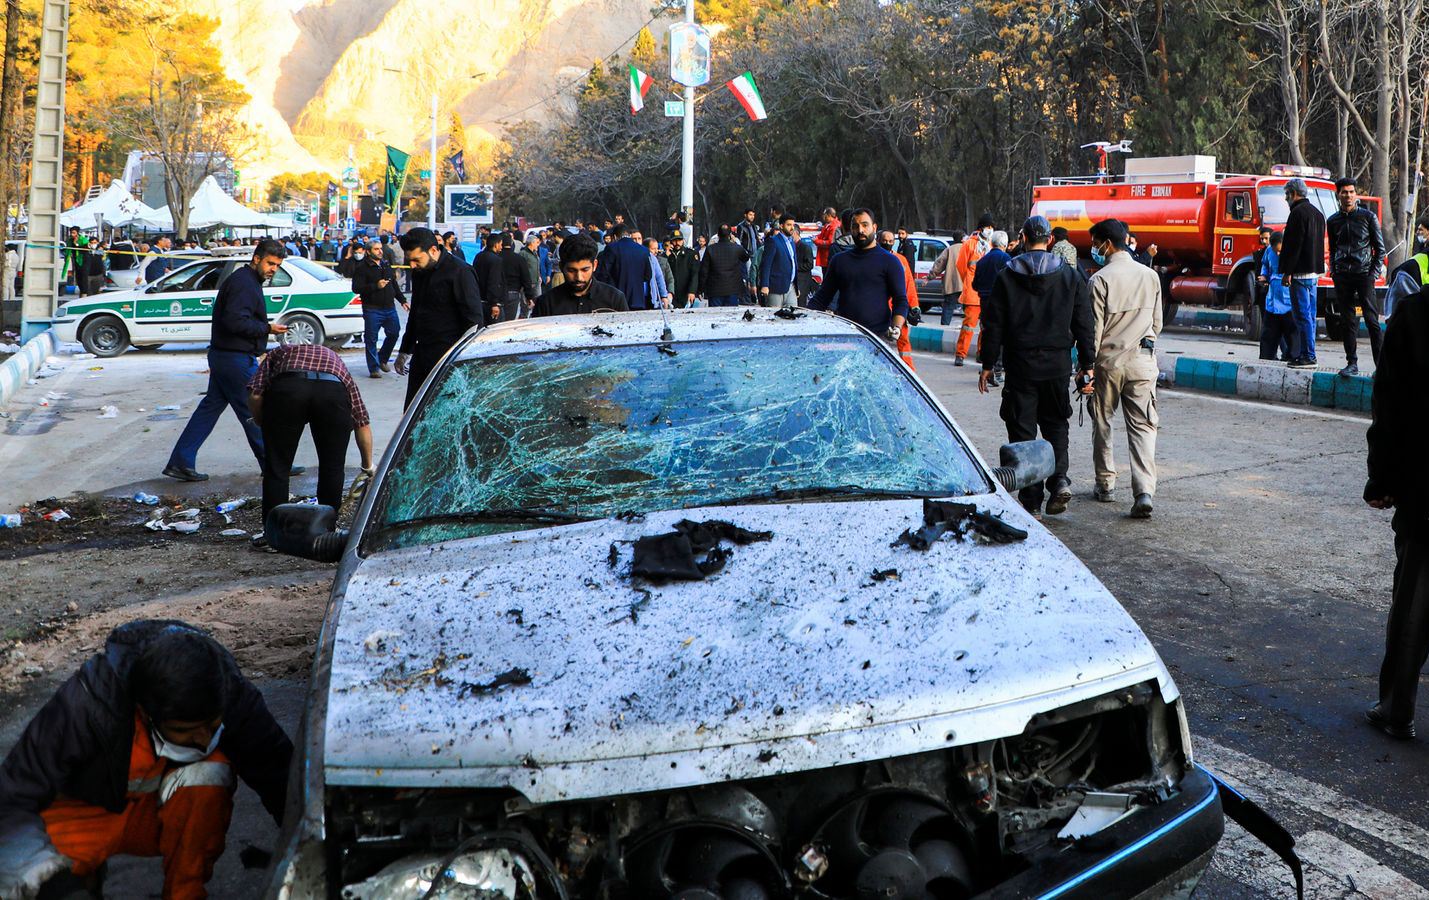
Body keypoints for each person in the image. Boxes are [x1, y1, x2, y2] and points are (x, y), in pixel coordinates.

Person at [0, 620, 292, 900]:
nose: (204, 740)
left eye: (212, 725)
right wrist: (55, 885)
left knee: (209, 775)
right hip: (87, 814)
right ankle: (80, 882)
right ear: (145, 711)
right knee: (25, 872)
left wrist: (307, 851)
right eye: (184, 731)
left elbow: (283, 780)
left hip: (161, 815)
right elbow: (13, 798)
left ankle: (184, 894)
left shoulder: (232, 694)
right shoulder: (83, 705)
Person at [978, 215, 1095, 517]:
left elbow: (994, 324)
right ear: (1050, 240)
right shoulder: (1070, 276)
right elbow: (1084, 323)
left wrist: (988, 363)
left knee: (1022, 428)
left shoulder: (1007, 275)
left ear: (1024, 238)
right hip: (1057, 364)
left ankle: (1031, 500)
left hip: (1020, 365)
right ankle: (1059, 481)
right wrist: (1087, 363)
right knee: (1056, 423)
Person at [163, 240, 292, 483]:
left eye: (277, 265)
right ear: (256, 259)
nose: (273, 269)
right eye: (270, 263)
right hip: (234, 359)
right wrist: (267, 328)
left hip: (226, 356)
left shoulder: (246, 281)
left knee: (209, 409)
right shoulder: (244, 283)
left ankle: (181, 461)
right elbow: (235, 322)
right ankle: (274, 463)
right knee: (255, 409)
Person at [1363, 270, 1429, 740]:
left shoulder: (1417, 315)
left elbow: (1389, 405)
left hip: (1426, 496)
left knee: (1413, 611)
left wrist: (1382, 480)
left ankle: (1396, 708)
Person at [1086, 218, 1162, 519]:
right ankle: (1144, 491)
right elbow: (1157, 323)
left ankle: (1106, 484)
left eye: (1095, 244)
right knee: (1143, 425)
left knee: (1103, 421)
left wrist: (1086, 367)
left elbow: (1094, 331)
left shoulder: (1099, 280)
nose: (1094, 249)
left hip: (1109, 362)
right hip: (1143, 361)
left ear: (1107, 244)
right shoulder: (1150, 276)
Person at [248, 341, 374, 521]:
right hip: (332, 392)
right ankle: (326, 528)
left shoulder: (279, 352)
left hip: (289, 389)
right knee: (333, 467)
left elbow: (255, 394)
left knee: (277, 468)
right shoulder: (335, 360)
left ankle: (273, 530)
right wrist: (368, 466)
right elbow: (361, 421)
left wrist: (262, 421)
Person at [395, 228, 485, 408]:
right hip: (422, 354)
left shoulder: (460, 272)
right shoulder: (420, 272)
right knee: (414, 411)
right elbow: (416, 313)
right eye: (409, 260)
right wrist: (405, 350)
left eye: (416, 260)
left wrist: (465, 361)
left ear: (433, 250)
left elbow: (473, 322)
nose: (412, 266)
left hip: (449, 358)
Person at [809, 209, 908, 339]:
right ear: (850, 229)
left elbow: (900, 300)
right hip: (845, 336)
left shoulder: (890, 262)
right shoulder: (839, 261)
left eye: (865, 225)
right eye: (855, 226)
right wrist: (804, 317)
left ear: (874, 227)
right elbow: (822, 297)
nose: (860, 230)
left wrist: (896, 328)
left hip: (878, 339)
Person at [1326, 176, 1386, 376]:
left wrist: (1372, 274)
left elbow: (1380, 250)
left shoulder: (1368, 217)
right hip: (1342, 276)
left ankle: (1381, 367)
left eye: (1351, 192)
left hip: (1364, 275)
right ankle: (1352, 363)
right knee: (1347, 321)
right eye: (1344, 192)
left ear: (1355, 194)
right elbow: (1333, 249)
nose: (1349, 196)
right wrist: (1334, 272)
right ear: (1338, 194)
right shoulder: (1332, 221)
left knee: (1372, 321)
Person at [1279, 178, 1326, 369]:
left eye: (1287, 194)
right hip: (1314, 273)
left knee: (1302, 316)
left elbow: (1293, 246)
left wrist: (1287, 272)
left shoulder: (1297, 214)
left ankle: (1308, 355)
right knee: (1310, 316)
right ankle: (1308, 353)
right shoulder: (1317, 213)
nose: (1286, 198)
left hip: (1299, 274)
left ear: (1293, 193)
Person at [533, 234, 628, 316]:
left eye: (585, 270)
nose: (579, 277)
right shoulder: (546, 303)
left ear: (594, 265)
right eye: (572, 270)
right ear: (561, 267)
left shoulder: (615, 299)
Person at [352, 238, 407, 378]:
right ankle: (374, 368)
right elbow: (356, 288)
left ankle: (382, 358)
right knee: (371, 339)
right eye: (376, 249)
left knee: (394, 333)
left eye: (380, 248)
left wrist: (402, 300)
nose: (380, 251)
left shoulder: (385, 264)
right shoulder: (362, 268)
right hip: (372, 309)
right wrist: (375, 286)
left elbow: (393, 284)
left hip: (389, 307)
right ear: (368, 252)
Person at [966, 231, 1012, 369]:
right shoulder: (1007, 259)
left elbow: (975, 285)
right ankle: (998, 363)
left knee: (987, 332)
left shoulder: (982, 260)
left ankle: (987, 363)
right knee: (1001, 331)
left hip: (985, 301)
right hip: (1001, 302)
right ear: (1005, 244)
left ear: (991, 243)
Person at [878, 230, 921, 369]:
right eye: (885, 241)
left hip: (897, 306)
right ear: (879, 241)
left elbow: (909, 284)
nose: (888, 243)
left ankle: (909, 370)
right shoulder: (874, 259)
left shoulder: (901, 260)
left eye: (891, 241)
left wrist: (914, 306)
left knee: (903, 339)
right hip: (880, 307)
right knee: (879, 341)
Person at [954, 214, 994, 365]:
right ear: (981, 228)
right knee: (968, 326)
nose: (990, 229)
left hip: (987, 292)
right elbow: (961, 266)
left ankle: (981, 353)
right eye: (988, 227)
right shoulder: (970, 244)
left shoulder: (992, 245)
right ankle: (960, 354)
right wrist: (969, 281)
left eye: (991, 227)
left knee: (985, 327)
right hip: (973, 293)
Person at [1257, 231, 1299, 363]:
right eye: (1276, 251)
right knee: (1269, 333)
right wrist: (1264, 275)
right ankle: (1267, 357)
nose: (1278, 254)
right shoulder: (1269, 251)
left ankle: (1293, 357)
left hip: (1287, 299)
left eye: (1280, 251)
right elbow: (1265, 264)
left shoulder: (1292, 251)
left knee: (1291, 333)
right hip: (1272, 299)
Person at [594, 223, 653, 310]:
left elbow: (603, 274)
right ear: (629, 235)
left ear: (614, 237)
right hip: (638, 300)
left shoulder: (612, 248)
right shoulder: (643, 250)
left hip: (616, 300)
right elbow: (648, 276)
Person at [699, 224, 751, 308]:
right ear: (730, 234)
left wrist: (700, 289)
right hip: (732, 288)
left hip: (715, 289)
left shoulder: (710, 249)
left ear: (718, 234)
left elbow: (704, 271)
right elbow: (746, 257)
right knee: (730, 314)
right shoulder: (737, 248)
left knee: (715, 314)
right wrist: (736, 242)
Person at [759, 214, 800, 308]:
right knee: (775, 315)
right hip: (776, 287)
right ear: (781, 226)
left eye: (793, 225)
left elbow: (793, 263)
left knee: (793, 314)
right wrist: (764, 285)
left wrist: (796, 286)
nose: (792, 228)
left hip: (791, 286)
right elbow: (766, 264)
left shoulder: (792, 242)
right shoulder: (773, 241)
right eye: (789, 225)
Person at [929, 230, 965, 327]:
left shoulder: (949, 250)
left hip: (952, 284)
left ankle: (944, 327)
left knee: (948, 307)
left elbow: (939, 263)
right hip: (966, 284)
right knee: (968, 309)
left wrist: (930, 276)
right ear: (962, 239)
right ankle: (967, 328)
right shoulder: (968, 248)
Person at [473, 231, 507, 323]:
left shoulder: (478, 256)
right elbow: (494, 282)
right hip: (492, 304)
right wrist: (494, 303)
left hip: (479, 300)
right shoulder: (496, 260)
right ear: (496, 244)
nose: (501, 247)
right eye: (500, 244)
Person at [666, 231, 700, 308]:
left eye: (679, 240)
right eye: (674, 240)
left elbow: (694, 274)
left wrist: (692, 291)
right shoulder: (668, 255)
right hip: (672, 293)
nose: (677, 243)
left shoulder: (690, 254)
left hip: (686, 292)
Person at [647, 238, 674, 309]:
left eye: (657, 248)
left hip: (661, 299)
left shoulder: (663, 261)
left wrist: (669, 293)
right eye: (653, 249)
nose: (656, 251)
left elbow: (670, 279)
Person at [794, 229, 815, 306]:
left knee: (800, 304)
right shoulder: (791, 246)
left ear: (796, 234)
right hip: (794, 282)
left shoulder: (805, 247)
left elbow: (809, 265)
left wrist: (795, 267)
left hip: (802, 281)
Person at [2, 243, 16, 307]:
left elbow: (7, 264)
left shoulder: (8, 254)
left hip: (7, 270)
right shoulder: (16, 255)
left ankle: (5, 300)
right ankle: (12, 299)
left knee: (5, 286)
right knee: (11, 286)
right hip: (13, 271)